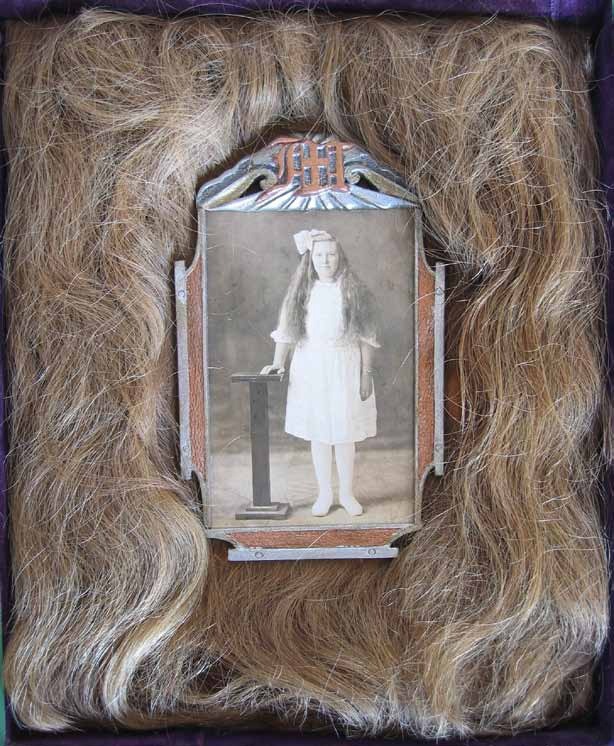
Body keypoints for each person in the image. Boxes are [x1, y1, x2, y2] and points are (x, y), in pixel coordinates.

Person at [261, 228, 380, 518]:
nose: (325, 260)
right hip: (311, 368)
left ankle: (347, 493)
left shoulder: (354, 291)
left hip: (345, 367)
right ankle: (325, 493)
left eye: (331, 254)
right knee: (320, 434)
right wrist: (279, 363)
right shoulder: (301, 293)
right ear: (310, 259)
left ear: (340, 257)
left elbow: (366, 336)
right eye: (319, 255)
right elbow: (287, 332)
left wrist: (366, 373)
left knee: (344, 433)